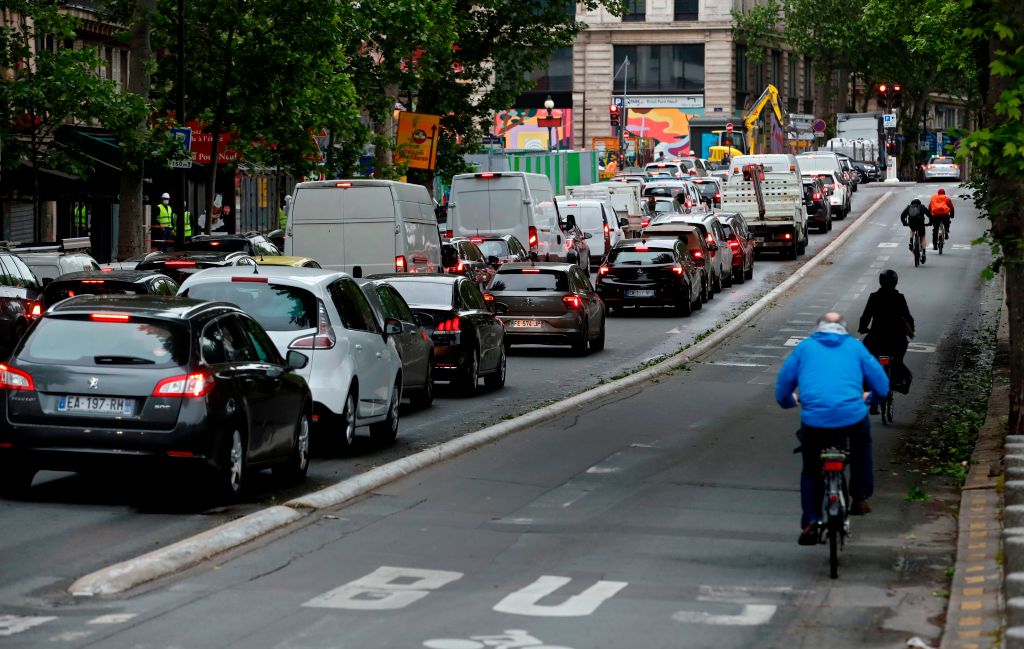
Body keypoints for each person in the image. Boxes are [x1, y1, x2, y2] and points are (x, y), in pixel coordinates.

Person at [776, 312, 890, 546]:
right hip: (852, 416)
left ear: (818, 329)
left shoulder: (805, 348)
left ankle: (810, 521)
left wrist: (791, 401)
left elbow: (783, 389)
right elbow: (881, 385)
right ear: (843, 328)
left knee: (811, 468)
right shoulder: (854, 347)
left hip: (815, 420)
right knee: (861, 449)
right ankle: (859, 497)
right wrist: (869, 400)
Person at [858, 269, 915, 413]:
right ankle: (896, 380)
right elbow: (908, 317)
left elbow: (865, 317)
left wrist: (863, 328)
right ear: (895, 282)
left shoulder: (874, 297)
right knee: (897, 360)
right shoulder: (899, 298)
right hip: (896, 340)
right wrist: (911, 331)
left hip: (876, 339)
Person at [899, 198, 932, 263]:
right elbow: (930, 215)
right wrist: (930, 223)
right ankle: (924, 253)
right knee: (922, 237)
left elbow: (902, 215)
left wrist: (904, 223)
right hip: (920, 224)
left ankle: (911, 241)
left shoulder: (909, 207)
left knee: (912, 230)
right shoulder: (922, 207)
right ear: (919, 203)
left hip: (912, 224)